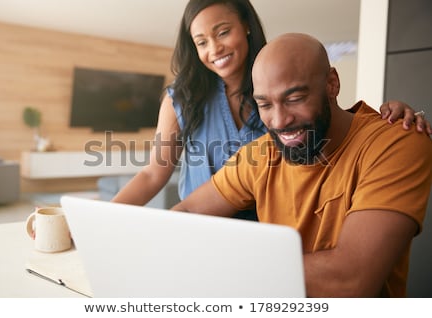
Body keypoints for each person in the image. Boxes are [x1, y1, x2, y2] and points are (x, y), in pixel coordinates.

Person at [112, 0, 430, 221]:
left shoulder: (278, 90)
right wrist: (102, 218)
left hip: (268, 228)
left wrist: (387, 115)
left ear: (246, 27)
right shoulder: (181, 98)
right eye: (202, 42)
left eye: (223, 32)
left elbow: (325, 126)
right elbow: (154, 172)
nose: (214, 48)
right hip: (198, 223)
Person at [172, 33, 432, 297]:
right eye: (265, 104)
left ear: (332, 84)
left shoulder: (396, 142)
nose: (280, 120)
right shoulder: (260, 155)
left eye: (294, 99)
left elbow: (350, 279)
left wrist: (222, 267)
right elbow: (186, 214)